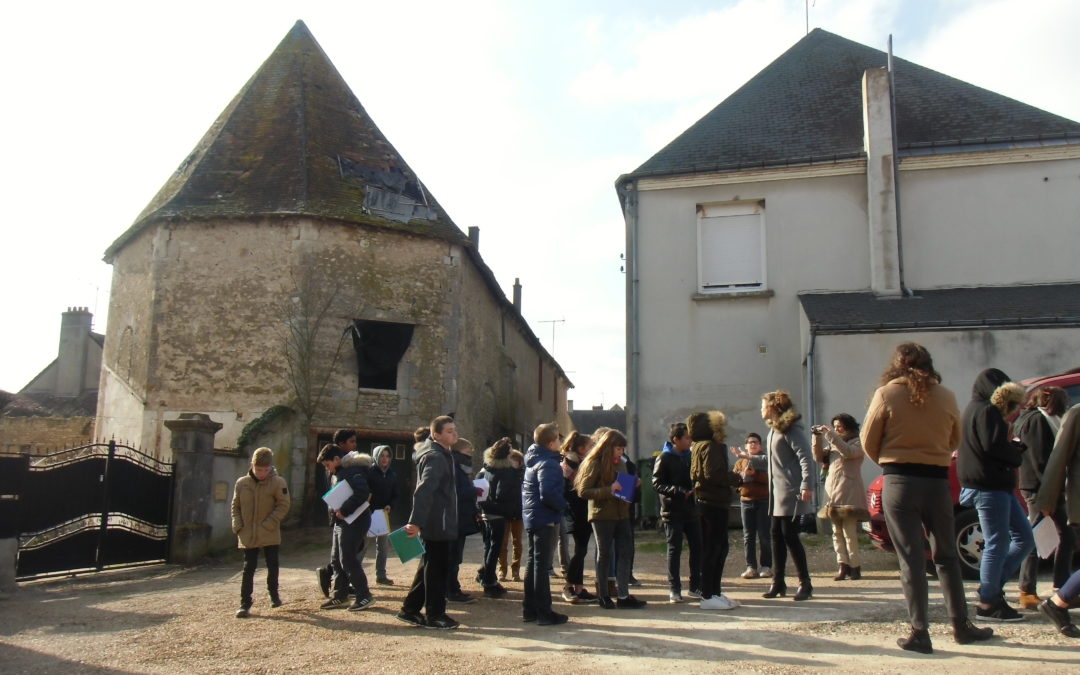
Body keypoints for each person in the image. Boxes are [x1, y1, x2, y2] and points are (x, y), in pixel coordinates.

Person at [862, 342, 993, 653]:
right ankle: (961, 624)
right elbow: (954, 439)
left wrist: (889, 460)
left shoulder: (886, 394)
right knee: (946, 555)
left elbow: (868, 439)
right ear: (929, 364)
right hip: (936, 480)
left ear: (896, 365)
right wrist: (933, 454)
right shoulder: (945, 396)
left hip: (900, 480)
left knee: (912, 558)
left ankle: (920, 632)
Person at [957, 368, 1034, 622]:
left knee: (1022, 538)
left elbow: (987, 446)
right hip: (989, 486)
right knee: (998, 542)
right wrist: (1016, 451)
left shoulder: (973, 409)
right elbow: (993, 447)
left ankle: (990, 590)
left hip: (992, 485)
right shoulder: (986, 411)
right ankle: (988, 602)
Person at [397, 415, 461, 630]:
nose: (455, 433)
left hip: (438, 520)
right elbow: (424, 490)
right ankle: (435, 615)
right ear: (437, 435)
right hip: (437, 522)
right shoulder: (436, 457)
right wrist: (416, 522)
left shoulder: (443, 454)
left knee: (429, 565)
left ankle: (410, 609)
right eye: (449, 431)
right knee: (437, 569)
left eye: (454, 429)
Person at [575, 429, 646, 609]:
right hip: (602, 515)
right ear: (608, 447)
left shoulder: (622, 462)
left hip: (622, 513)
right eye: (618, 449)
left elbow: (623, 487)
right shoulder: (594, 463)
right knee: (605, 553)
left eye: (622, 449)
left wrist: (633, 485)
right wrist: (609, 489)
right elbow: (583, 491)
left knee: (625, 552)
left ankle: (623, 595)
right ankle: (603, 596)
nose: (621, 452)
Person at [1016, 386, 1073, 609]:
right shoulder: (1037, 422)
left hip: (1039, 487)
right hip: (1040, 489)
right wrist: (1049, 496)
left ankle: (1058, 585)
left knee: (1058, 536)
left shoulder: (1031, 418)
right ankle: (1029, 590)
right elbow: (1040, 460)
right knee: (1041, 537)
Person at [760, 390, 814, 602]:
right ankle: (778, 581)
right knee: (776, 536)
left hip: (791, 492)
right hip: (777, 494)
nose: (761, 410)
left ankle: (805, 583)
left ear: (773, 407)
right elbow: (774, 460)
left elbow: (805, 456)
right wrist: (750, 459)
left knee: (790, 537)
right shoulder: (773, 431)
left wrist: (806, 484)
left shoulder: (790, 428)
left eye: (764, 405)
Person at [1035, 403, 1080, 637]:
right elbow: (1058, 456)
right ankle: (1057, 603)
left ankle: (1058, 603)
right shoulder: (1077, 413)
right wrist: (1047, 500)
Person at [688, 411, 740, 610]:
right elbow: (713, 475)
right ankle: (709, 594)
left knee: (716, 549)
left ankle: (714, 592)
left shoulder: (699, 446)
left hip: (707, 502)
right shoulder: (711, 446)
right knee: (715, 550)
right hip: (714, 503)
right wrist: (735, 477)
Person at [231, 447, 290, 618]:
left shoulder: (278, 482)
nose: (262, 473)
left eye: (265, 470)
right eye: (258, 469)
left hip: (269, 531)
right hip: (248, 532)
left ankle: (274, 595)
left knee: (273, 565)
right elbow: (235, 506)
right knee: (248, 567)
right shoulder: (242, 483)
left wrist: (270, 523)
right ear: (252, 465)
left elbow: (283, 505)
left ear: (270, 467)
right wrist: (237, 524)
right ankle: (245, 603)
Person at [317, 443, 376, 612]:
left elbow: (362, 493)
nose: (328, 469)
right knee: (336, 560)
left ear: (336, 459)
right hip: (341, 521)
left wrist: (344, 510)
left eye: (328, 465)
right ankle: (340, 596)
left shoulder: (352, 471)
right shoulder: (341, 472)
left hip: (354, 520)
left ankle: (364, 596)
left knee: (348, 559)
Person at [522, 422, 570, 625]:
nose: (560, 442)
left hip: (533, 516)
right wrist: (564, 506)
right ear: (551, 443)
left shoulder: (534, 460)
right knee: (541, 565)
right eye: (558, 439)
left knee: (534, 563)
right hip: (544, 516)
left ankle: (530, 610)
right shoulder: (549, 463)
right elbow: (548, 493)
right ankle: (543, 612)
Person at [811, 413, 869, 581]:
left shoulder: (857, 442)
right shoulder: (834, 443)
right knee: (836, 532)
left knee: (849, 532)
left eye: (840, 427)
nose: (837, 430)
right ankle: (842, 565)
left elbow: (849, 453)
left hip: (849, 492)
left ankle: (855, 566)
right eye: (835, 427)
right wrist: (817, 437)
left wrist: (831, 435)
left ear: (849, 427)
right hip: (833, 493)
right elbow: (818, 457)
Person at [652, 422, 702, 604]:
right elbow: (656, 483)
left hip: (691, 509)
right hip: (672, 511)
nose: (690, 441)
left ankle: (696, 585)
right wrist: (677, 491)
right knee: (675, 549)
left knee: (697, 547)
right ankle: (675, 589)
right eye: (687, 438)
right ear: (676, 439)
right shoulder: (665, 458)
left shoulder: (691, 456)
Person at [316, 429, 358, 598]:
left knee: (350, 551)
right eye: (351, 442)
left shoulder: (346, 465)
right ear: (341, 445)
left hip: (346, 514)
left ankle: (342, 585)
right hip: (340, 514)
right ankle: (330, 577)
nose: (354, 445)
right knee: (343, 554)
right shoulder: (337, 468)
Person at [478, 437, 520, 598]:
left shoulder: (487, 468)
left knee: (489, 546)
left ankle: (486, 575)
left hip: (486, 512)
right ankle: (489, 581)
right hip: (499, 513)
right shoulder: (506, 472)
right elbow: (502, 494)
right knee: (495, 547)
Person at [560, 431, 598, 604]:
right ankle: (568, 586)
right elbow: (568, 490)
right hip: (575, 511)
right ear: (582, 448)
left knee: (580, 550)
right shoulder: (569, 464)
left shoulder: (582, 462)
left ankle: (579, 588)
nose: (593, 449)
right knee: (580, 550)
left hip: (583, 510)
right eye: (590, 446)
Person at [732, 433, 771, 579]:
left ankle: (766, 566)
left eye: (755, 442)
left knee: (764, 535)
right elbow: (734, 480)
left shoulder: (765, 460)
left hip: (763, 500)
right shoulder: (740, 462)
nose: (752, 444)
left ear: (760, 445)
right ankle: (751, 567)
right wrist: (740, 480)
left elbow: (771, 479)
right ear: (745, 446)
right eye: (750, 442)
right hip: (746, 501)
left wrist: (755, 474)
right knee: (748, 536)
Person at [447, 437, 481, 605]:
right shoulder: (455, 467)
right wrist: (472, 490)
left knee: (456, 556)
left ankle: (453, 587)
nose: (470, 456)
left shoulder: (461, 467)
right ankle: (451, 589)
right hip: (456, 517)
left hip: (462, 516)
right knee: (452, 556)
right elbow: (455, 492)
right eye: (468, 452)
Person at [366, 444, 399, 586]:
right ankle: (353, 578)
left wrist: (390, 505)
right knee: (362, 546)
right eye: (382, 456)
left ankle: (381, 575)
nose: (385, 459)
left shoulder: (392, 474)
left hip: (383, 515)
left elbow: (395, 494)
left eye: (387, 456)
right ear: (376, 457)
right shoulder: (369, 473)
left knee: (383, 547)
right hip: (368, 514)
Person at [499, 448, 526, 582]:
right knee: (503, 543)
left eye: (513, 461)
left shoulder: (524, 475)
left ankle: (515, 570)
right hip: (505, 512)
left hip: (518, 512)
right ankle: (502, 570)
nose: (511, 463)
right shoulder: (503, 474)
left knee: (517, 542)